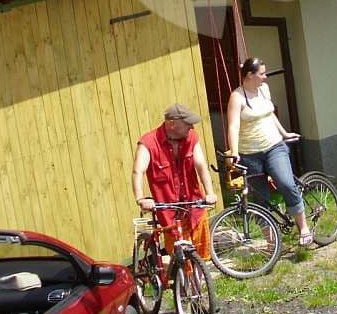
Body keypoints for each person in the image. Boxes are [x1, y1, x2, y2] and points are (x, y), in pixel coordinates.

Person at [226, 57, 313, 246]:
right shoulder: (237, 97)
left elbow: (270, 114)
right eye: (262, 73)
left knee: (286, 184)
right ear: (250, 75)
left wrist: (284, 133)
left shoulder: (264, 90)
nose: (265, 77)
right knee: (260, 199)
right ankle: (271, 244)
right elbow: (233, 126)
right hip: (250, 154)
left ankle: (304, 228)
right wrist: (234, 152)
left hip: (274, 146)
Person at [132, 103, 218, 258]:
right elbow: (138, 171)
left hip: (194, 207)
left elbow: (200, 165)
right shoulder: (149, 143)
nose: (191, 127)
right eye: (187, 123)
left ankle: (198, 274)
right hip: (169, 213)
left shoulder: (192, 137)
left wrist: (209, 192)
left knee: (201, 257)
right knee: (180, 259)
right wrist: (141, 198)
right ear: (171, 123)